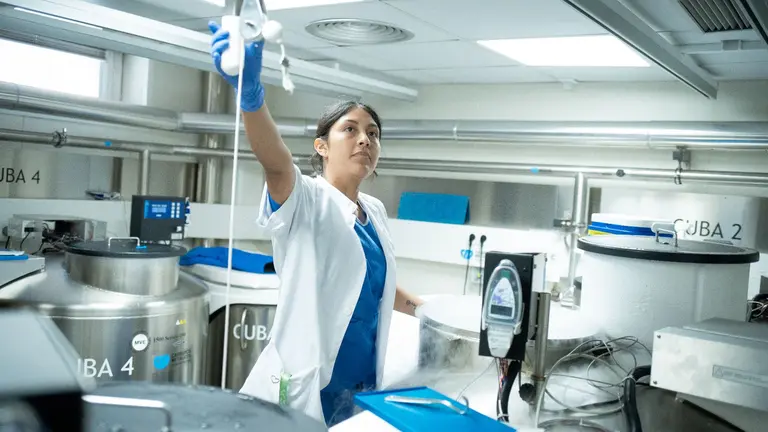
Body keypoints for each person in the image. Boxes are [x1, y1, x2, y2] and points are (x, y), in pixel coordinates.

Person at [208, 22, 425, 427]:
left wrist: (429, 312)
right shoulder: (304, 198)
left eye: (373, 134)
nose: (365, 140)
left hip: (361, 383)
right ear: (321, 146)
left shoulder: (374, 210)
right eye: (351, 130)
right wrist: (251, 99)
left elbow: (373, 282)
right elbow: (274, 159)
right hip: (308, 386)